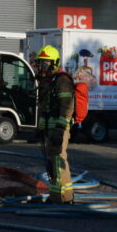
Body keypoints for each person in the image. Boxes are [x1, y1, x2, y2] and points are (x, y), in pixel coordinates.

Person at [33, 45, 75, 204]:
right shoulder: (47, 81)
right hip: (50, 130)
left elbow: (67, 107)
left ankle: (65, 198)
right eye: (41, 63)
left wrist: (60, 128)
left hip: (59, 129)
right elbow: (44, 107)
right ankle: (56, 195)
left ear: (55, 63)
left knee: (59, 162)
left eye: (46, 63)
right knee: (52, 163)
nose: (43, 66)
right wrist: (40, 127)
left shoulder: (62, 80)